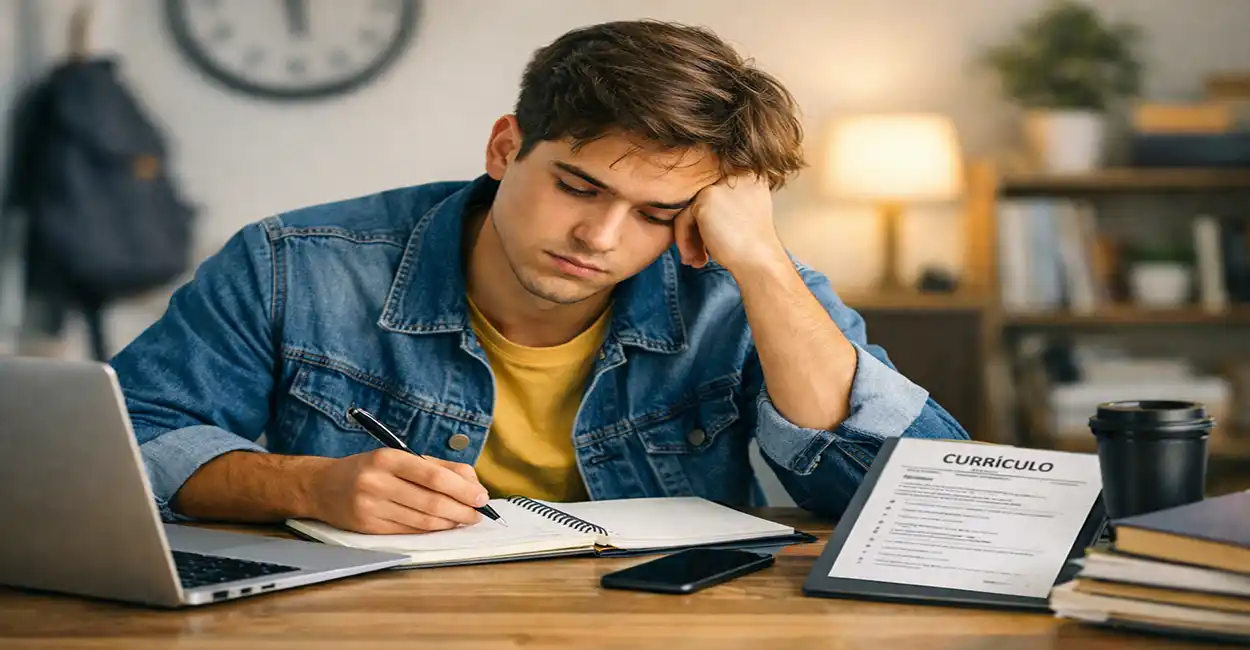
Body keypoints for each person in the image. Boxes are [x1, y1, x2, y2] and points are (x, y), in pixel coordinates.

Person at [110, 19, 969, 535]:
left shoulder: (745, 287)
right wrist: (310, 486)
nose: (599, 236)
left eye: (656, 212)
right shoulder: (294, 264)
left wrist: (762, 261)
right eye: (578, 187)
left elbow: (928, 502)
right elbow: (130, 444)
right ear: (505, 147)